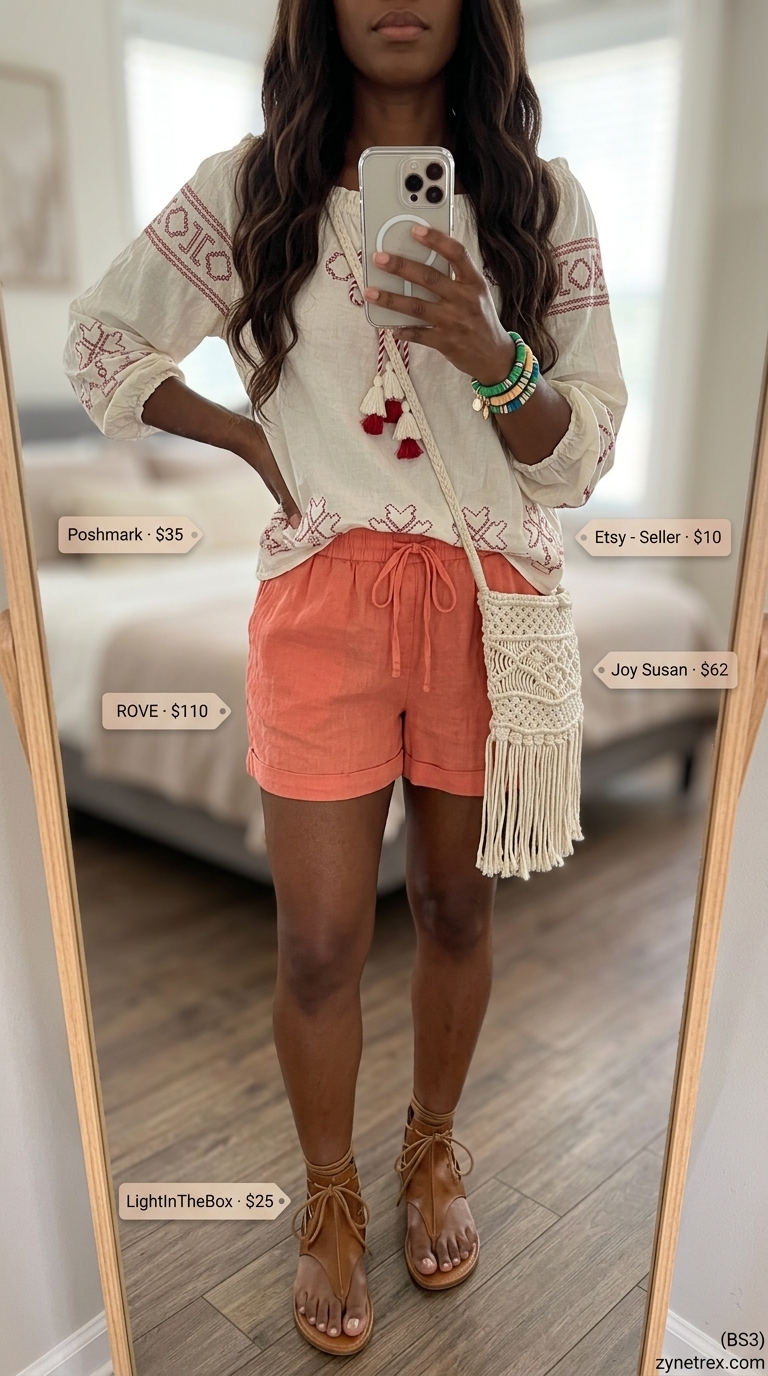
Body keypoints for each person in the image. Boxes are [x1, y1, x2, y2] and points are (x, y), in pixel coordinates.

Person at [65, 0, 626, 1357]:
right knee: (318, 939)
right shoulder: (247, 189)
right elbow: (100, 349)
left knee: (450, 907)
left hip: (486, 599)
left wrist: (494, 359)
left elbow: (584, 446)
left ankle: (433, 1146)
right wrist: (253, 447)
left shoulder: (538, 201)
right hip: (320, 595)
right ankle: (329, 1192)